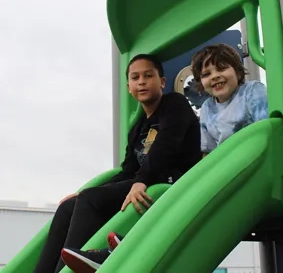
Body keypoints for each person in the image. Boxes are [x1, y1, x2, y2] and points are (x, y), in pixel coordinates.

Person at [34, 53, 201, 273]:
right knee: (69, 207)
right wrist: (88, 190)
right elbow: (128, 170)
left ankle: (65, 270)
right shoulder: (138, 127)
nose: (141, 81)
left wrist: (142, 180)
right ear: (128, 86)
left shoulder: (174, 105)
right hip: (143, 184)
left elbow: (166, 147)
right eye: (135, 77)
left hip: (172, 183)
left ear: (162, 81)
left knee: (91, 200)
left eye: (148, 75)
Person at [191, 43, 268, 157]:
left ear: (237, 71)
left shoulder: (252, 91)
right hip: (228, 166)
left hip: (257, 158)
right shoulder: (207, 108)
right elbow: (208, 153)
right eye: (206, 74)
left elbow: (267, 131)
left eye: (221, 69)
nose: (214, 76)